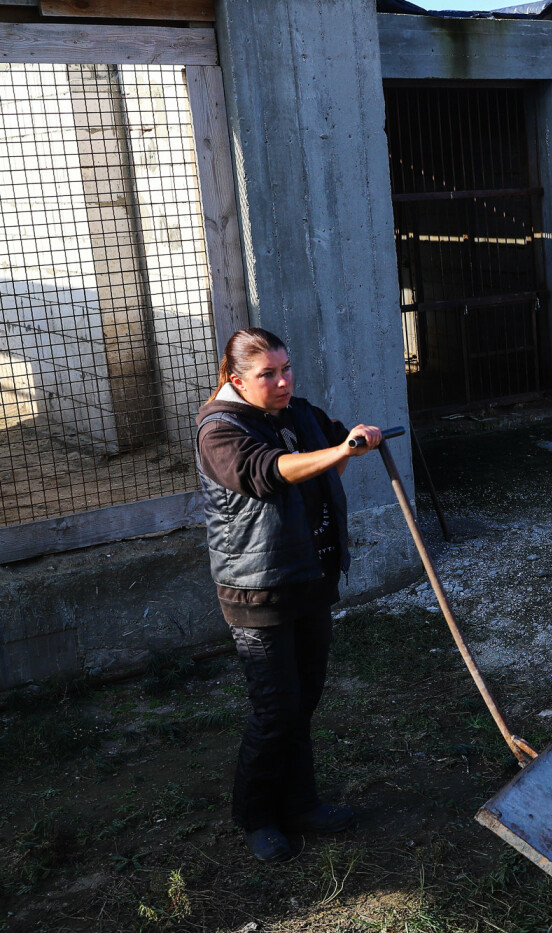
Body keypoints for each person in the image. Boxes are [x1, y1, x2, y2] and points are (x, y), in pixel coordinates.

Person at [195, 327, 383, 862]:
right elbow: (268, 473)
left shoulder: (299, 412)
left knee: (303, 701)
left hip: (309, 578)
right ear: (236, 380)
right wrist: (340, 448)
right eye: (267, 374)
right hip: (258, 594)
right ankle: (255, 817)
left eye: (286, 368)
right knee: (275, 710)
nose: (282, 381)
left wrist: (355, 442)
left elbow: (331, 455)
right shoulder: (221, 429)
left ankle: (301, 804)